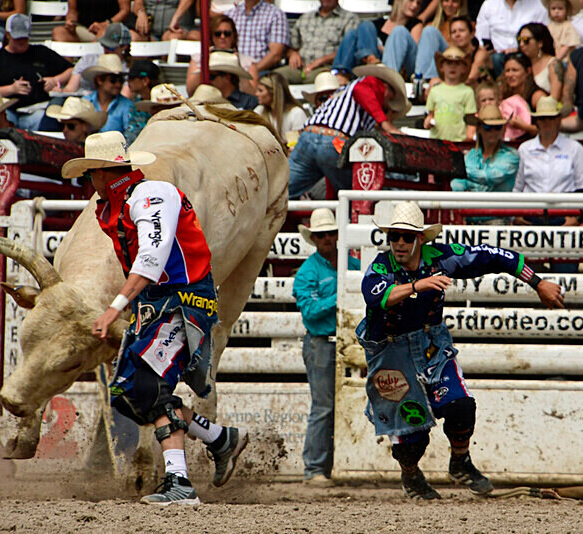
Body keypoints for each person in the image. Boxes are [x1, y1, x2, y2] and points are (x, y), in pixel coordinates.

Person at [61, 131, 249, 504]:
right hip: (158, 303)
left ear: (102, 172)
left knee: (151, 386)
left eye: (88, 175)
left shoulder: (151, 195)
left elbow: (152, 256)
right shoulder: (119, 204)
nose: (88, 184)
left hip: (183, 300)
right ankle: (219, 439)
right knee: (131, 392)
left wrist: (115, 307)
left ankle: (180, 483)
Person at [358, 201, 564, 499]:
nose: (399, 243)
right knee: (412, 436)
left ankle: (460, 460)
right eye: (394, 236)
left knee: (461, 406)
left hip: (430, 344)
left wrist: (538, 282)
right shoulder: (380, 266)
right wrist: (419, 285)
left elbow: (495, 256)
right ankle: (411, 475)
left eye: (407, 236)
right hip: (391, 351)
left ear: (420, 239)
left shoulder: (442, 257)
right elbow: (376, 296)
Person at [292, 209, 360, 488]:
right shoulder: (309, 271)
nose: (327, 239)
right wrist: (342, 292)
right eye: (321, 235)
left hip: (348, 343)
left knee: (334, 406)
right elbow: (310, 311)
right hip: (322, 343)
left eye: (330, 233)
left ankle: (332, 466)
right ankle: (315, 468)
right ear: (315, 238)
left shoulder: (351, 265)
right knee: (324, 407)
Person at [288, 64, 407, 198]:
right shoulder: (371, 82)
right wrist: (387, 126)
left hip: (308, 136)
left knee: (284, 192)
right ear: (386, 87)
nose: (388, 102)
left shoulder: (344, 92)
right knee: (357, 196)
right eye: (390, 97)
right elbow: (361, 90)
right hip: (333, 140)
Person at [515, 96, 583, 272]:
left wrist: (575, 219)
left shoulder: (575, 148)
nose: (547, 122)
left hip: (564, 218)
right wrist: (517, 216)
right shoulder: (525, 149)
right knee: (530, 278)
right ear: (537, 121)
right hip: (532, 217)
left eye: (551, 118)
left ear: (558, 120)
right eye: (542, 118)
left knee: (565, 275)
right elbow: (517, 188)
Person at [0, 14, 73, 131]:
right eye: (17, 38)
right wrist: (12, 89)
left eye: (24, 37)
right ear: (8, 35)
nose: (22, 41)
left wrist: (55, 80)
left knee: (49, 119)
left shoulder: (41, 52)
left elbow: (71, 70)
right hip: (7, 111)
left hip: (37, 110)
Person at [277, 0, 359, 85]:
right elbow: (290, 47)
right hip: (299, 68)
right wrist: (293, 54)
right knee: (272, 79)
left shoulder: (349, 18)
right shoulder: (305, 18)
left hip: (327, 68)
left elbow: (348, 50)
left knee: (321, 79)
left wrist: (319, 62)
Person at [333, 0, 423, 73]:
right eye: (411, 0)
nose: (415, 5)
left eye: (419, 3)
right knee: (358, 29)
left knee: (398, 31)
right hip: (373, 62)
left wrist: (384, 49)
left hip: (395, 65)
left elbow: (411, 55)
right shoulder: (378, 23)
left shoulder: (415, 25)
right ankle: (344, 71)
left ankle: (343, 72)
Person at [383, 0, 464, 80]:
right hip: (418, 68)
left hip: (448, 65)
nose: (449, 4)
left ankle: (423, 83)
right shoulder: (432, 24)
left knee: (430, 31)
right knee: (399, 30)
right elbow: (422, 55)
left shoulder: (468, 25)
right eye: (446, 0)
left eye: (455, 1)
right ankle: (388, 80)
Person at [454, 104, 520, 194]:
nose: (493, 132)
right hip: (472, 206)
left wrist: (461, 171)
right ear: (479, 129)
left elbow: (489, 177)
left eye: (498, 127)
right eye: (487, 127)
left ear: (503, 129)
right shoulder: (471, 155)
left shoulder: (512, 155)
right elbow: (457, 183)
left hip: (500, 207)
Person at [187, 15, 257, 96]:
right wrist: (205, 64)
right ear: (212, 37)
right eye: (218, 34)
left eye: (227, 33)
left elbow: (253, 95)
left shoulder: (249, 62)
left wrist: (238, 67)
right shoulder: (198, 59)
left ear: (233, 36)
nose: (222, 37)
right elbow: (190, 91)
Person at [476, 0, 549, 76]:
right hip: (496, 56)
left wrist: (519, 48)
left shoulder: (537, 6)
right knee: (495, 58)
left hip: (524, 53)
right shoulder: (489, 5)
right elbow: (481, 37)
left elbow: (543, 36)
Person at [62, 23, 133, 96]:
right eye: (104, 45)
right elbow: (70, 89)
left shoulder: (129, 69)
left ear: (124, 47)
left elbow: (124, 96)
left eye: (111, 47)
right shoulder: (88, 59)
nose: (106, 50)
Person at [424, 46, 476, 141]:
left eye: (457, 64)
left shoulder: (467, 92)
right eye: (448, 63)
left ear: (464, 68)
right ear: (441, 67)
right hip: (437, 141)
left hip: (459, 141)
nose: (452, 67)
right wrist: (428, 122)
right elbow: (431, 114)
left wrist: (469, 138)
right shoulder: (435, 90)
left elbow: (471, 119)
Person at [225, 0, 290, 74]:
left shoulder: (276, 15)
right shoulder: (230, 14)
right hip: (231, 70)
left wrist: (253, 70)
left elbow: (275, 54)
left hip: (262, 71)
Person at [82, 54, 134, 134]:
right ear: (100, 80)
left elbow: (130, 135)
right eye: (113, 80)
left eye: (121, 80)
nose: (118, 85)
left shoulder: (128, 106)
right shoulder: (85, 102)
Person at [499, 53, 545, 139]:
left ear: (528, 71)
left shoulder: (537, 96)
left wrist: (524, 127)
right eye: (507, 71)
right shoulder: (505, 94)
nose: (510, 75)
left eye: (515, 70)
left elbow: (547, 129)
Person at [254, 72, 308, 143]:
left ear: (273, 92)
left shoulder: (295, 114)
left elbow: (295, 147)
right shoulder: (259, 110)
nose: (256, 94)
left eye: (260, 90)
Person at [518, 23, 563, 101]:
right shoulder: (520, 64)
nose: (521, 44)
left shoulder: (553, 64)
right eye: (519, 40)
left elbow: (555, 99)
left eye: (526, 40)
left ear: (540, 43)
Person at [52, 0, 130, 43]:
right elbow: (72, 10)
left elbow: (125, 10)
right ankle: (68, 69)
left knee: (102, 35)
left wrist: (106, 24)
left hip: (111, 27)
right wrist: (70, 21)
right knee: (59, 32)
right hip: (83, 28)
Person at [123, 60, 162, 144]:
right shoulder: (135, 106)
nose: (128, 82)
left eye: (131, 78)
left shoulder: (164, 104)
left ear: (145, 81)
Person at [130, 0, 196, 42]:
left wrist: (176, 18)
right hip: (150, 32)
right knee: (132, 37)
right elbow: (137, 3)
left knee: (172, 38)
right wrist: (140, 13)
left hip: (176, 30)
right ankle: (139, 64)